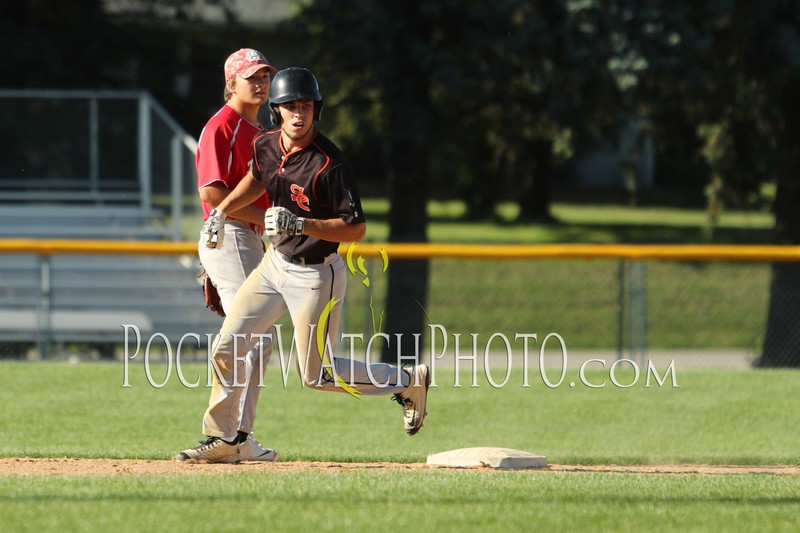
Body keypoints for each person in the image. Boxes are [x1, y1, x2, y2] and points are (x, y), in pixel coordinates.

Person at [176, 67, 430, 463]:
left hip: (316, 274)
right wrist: (222, 212)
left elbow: (356, 228)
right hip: (274, 264)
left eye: (306, 106)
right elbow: (256, 179)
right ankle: (226, 438)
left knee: (316, 376)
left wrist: (301, 223)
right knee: (228, 346)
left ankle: (408, 381)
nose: (299, 114)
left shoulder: (331, 164)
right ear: (276, 110)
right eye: (291, 106)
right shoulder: (265, 144)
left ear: (316, 110)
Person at [185, 48, 279, 463]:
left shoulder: (263, 131)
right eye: (250, 77)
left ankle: (238, 437)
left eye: (264, 76)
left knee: (259, 339)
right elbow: (212, 194)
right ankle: (226, 435)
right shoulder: (220, 126)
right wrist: (268, 219)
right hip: (229, 235)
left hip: (251, 239)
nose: (259, 83)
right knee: (249, 334)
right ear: (231, 83)